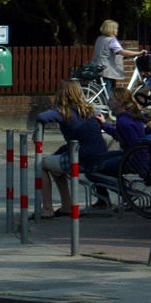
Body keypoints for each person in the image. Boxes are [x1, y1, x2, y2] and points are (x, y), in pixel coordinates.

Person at [34, 79, 109, 218]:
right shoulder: (91, 110)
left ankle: (47, 209)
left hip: (83, 158)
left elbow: (41, 116)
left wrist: (36, 133)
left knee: (41, 165)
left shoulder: (63, 112)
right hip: (100, 156)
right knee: (55, 167)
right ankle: (67, 206)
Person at [89, 87, 148, 207]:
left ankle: (126, 193)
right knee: (96, 160)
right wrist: (104, 124)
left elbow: (136, 146)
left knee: (92, 170)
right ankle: (104, 200)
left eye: (111, 99)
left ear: (120, 102)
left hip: (134, 159)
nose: (108, 101)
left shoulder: (124, 121)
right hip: (131, 155)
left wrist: (143, 168)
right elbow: (121, 136)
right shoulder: (127, 116)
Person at [91, 20, 148, 98]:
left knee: (103, 94)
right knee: (108, 95)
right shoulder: (111, 40)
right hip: (106, 70)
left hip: (97, 67)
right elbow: (121, 51)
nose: (117, 30)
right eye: (116, 28)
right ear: (111, 29)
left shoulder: (100, 39)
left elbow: (106, 53)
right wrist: (139, 53)